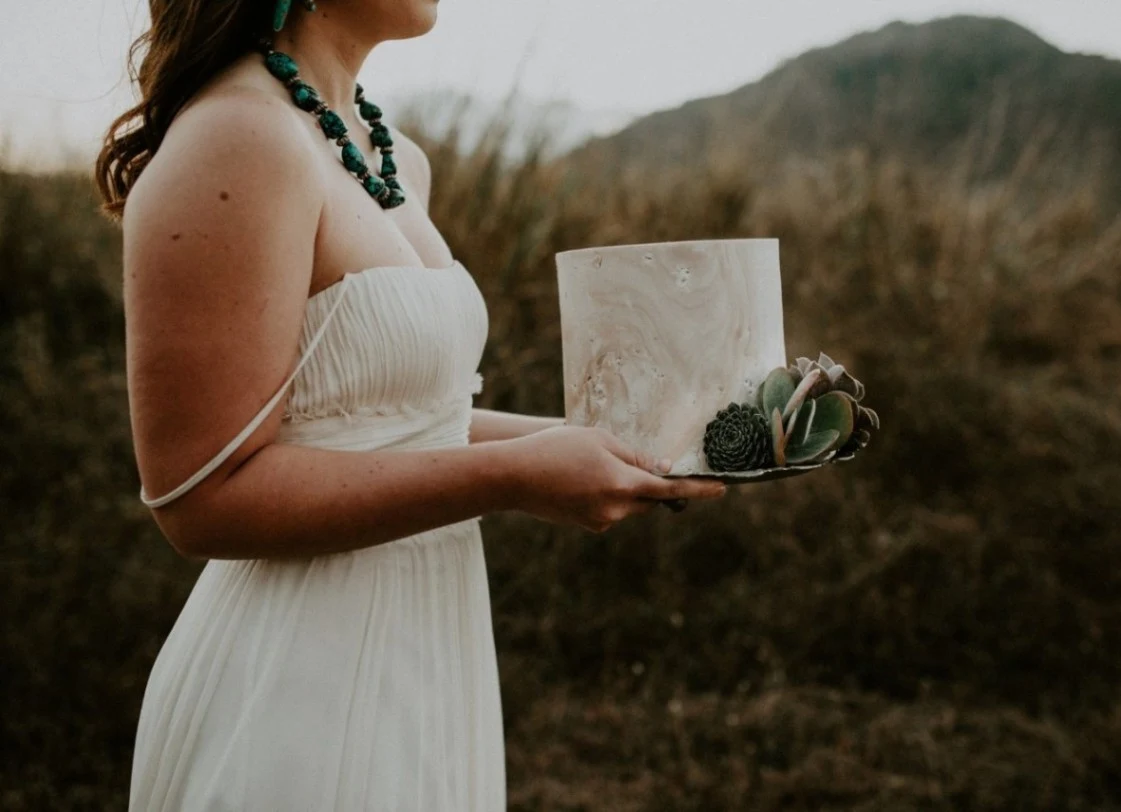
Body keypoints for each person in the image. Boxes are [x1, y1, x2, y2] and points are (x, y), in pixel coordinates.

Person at [95, 0, 727, 808]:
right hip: (299, 672)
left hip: (427, 643)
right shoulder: (237, 140)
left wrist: (609, 440)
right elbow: (200, 502)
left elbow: (399, 421)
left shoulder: (382, 152)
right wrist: (510, 479)